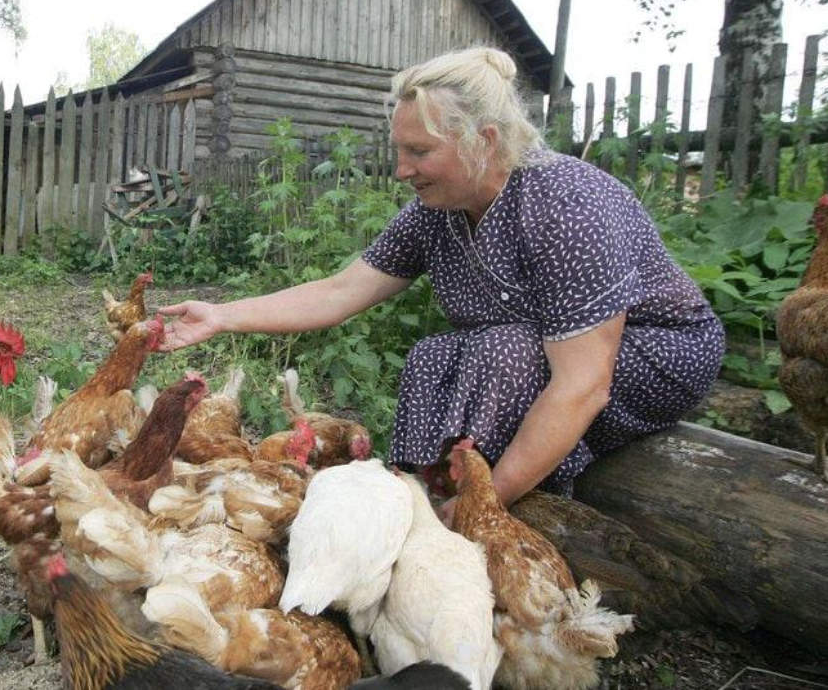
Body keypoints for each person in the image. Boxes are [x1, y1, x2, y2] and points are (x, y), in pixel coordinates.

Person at [159, 47, 724, 521]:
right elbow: (340, 291)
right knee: (434, 354)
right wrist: (222, 314)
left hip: (655, 355)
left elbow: (583, 383)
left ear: (485, 139)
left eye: (419, 151)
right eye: (400, 150)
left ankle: (492, 511)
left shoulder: (569, 206)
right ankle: (418, 498)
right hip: (537, 359)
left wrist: (488, 501)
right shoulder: (438, 210)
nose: (402, 169)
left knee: (504, 350)